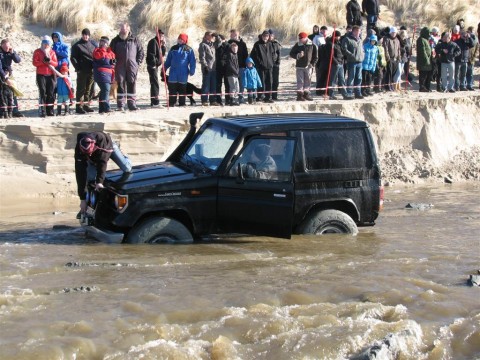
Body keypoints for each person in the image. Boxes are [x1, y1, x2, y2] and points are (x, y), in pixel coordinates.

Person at [75, 131, 132, 218]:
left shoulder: (102, 140)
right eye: (87, 153)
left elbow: (102, 164)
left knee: (127, 168)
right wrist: (82, 199)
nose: (89, 154)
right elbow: (80, 174)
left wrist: (99, 182)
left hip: (108, 147)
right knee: (90, 179)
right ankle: (89, 206)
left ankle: (123, 155)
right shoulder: (79, 149)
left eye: (90, 152)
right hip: (93, 155)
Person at [110, 23, 145, 111]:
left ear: (128, 30)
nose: (122, 32)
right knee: (121, 85)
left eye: (124, 30)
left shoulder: (135, 40)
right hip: (119, 66)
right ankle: (120, 105)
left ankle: (132, 104)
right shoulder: (115, 41)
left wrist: (138, 62)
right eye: (121, 30)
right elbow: (110, 53)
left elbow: (140, 51)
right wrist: (113, 61)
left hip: (132, 66)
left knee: (131, 84)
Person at [164, 33, 196, 107]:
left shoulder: (189, 50)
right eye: (179, 39)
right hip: (173, 72)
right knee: (172, 88)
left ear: (185, 40)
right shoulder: (173, 48)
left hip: (183, 72)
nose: (180, 40)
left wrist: (192, 70)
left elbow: (192, 61)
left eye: (181, 39)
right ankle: (172, 103)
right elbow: (168, 60)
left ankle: (182, 103)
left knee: (182, 89)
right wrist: (164, 68)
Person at [70, 28, 96, 114]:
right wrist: (78, 68)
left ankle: (86, 105)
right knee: (81, 89)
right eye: (84, 34)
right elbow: (73, 58)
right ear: (82, 35)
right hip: (82, 70)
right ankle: (79, 107)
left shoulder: (92, 45)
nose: (86, 36)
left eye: (87, 35)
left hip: (91, 70)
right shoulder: (77, 46)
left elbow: (96, 55)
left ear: (89, 36)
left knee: (89, 89)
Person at [33, 35, 58, 117]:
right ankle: (42, 110)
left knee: (50, 93)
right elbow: (35, 63)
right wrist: (43, 62)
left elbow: (56, 63)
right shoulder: (37, 51)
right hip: (41, 74)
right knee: (42, 92)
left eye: (47, 43)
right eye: (44, 43)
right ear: (42, 43)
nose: (46, 45)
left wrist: (49, 61)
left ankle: (50, 110)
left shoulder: (52, 52)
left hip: (50, 75)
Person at [290, 32, 317, 101]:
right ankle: (299, 96)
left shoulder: (312, 45)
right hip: (299, 66)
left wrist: (312, 64)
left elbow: (315, 56)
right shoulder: (298, 45)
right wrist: (298, 55)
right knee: (300, 81)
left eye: (301, 38)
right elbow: (291, 53)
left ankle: (306, 94)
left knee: (308, 81)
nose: (300, 40)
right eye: (299, 38)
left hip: (308, 66)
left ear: (305, 38)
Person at [250, 30, 275, 103]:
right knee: (261, 82)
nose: (265, 38)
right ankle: (260, 96)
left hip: (269, 67)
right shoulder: (257, 44)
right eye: (264, 36)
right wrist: (259, 63)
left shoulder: (270, 44)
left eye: (267, 36)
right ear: (262, 36)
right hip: (261, 67)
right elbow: (254, 55)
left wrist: (272, 62)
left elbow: (273, 54)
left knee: (269, 82)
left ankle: (268, 97)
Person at [93, 36, 116, 113]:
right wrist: (103, 49)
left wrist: (112, 63)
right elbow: (101, 59)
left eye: (104, 42)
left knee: (103, 91)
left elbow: (113, 63)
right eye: (101, 42)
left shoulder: (110, 52)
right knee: (106, 89)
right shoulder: (97, 51)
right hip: (101, 73)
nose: (102, 43)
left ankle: (101, 109)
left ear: (107, 44)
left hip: (109, 74)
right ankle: (107, 108)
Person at [325, 30, 350, 100]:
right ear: (334, 36)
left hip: (341, 63)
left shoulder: (338, 43)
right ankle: (331, 94)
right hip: (334, 64)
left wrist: (343, 60)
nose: (339, 37)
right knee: (333, 80)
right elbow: (330, 55)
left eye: (339, 36)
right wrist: (336, 62)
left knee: (342, 79)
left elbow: (341, 52)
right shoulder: (330, 44)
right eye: (337, 36)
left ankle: (345, 94)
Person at [341, 25, 365, 99]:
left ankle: (358, 93)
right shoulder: (347, 39)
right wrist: (351, 55)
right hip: (352, 62)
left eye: (359, 31)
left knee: (359, 78)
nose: (358, 32)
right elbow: (344, 49)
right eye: (357, 31)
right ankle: (349, 93)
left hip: (360, 62)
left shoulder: (360, 40)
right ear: (353, 31)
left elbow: (362, 49)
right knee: (351, 77)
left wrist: (363, 55)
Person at [0, 38, 21, 118]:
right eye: (5, 47)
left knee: (13, 91)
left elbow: (18, 60)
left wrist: (13, 53)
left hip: (9, 73)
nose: (6, 48)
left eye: (8, 47)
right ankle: (2, 112)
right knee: (2, 94)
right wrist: (5, 78)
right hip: (1, 73)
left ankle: (15, 111)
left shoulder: (10, 51)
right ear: (1, 46)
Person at [146, 30, 167, 107]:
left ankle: (153, 101)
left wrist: (163, 46)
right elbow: (151, 54)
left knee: (154, 82)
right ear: (157, 34)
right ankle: (155, 101)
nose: (162, 37)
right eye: (160, 35)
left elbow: (162, 54)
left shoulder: (159, 43)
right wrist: (154, 64)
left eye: (163, 35)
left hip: (156, 65)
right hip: (152, 66)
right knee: (154, 83)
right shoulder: (153, 42)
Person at [228, 29, 249, 103]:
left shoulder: (242, 43)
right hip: (232, 67)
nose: (234, 36)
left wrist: (246, 64)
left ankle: (241, 97)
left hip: (241, 66)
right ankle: (232, 98)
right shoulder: (228, 43)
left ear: (238, 34)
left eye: (235, 35)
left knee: (241, 83)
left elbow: (246, 55)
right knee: (233, 84)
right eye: (232, 35)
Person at [198, 31, 218, 106]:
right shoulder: (203, 45)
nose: (212, 37)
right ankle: (204, 100)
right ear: (206, 36)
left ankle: (213, 100)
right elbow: (202, 57)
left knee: (213, 85)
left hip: (213, 68)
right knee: (206, 85)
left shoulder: (212, 45)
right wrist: (205, 66)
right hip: (207, 68)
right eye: (210, 35)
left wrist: (217, 35)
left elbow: (219, 43)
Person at [383, 26, 401, 91]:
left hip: (396, 59)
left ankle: (391, 85)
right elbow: (386, 48)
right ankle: (387, 86)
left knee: (393, 73)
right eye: (393, 32)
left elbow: (399, 49)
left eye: (395, 33)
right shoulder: (387, 39)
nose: (394, 34)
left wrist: (399, 58)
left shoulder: (397, 40)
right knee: (389, 73)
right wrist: (388, 58)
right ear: (390, 32)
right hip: (390, 59)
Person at [416, 27, 433, 92]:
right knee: (423, 75)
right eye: (428, 33)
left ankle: (427, 87)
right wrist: (426, 60)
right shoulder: (421, 40)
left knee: (428, 75)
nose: (429, 34)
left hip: (428, 61)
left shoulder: (426, 40)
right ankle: (422, 87)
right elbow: (423, 51)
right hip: (423, 61)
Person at [214, 34, 229, 105]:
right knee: (218, 85)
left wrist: (223, 42)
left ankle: (227, 99)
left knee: (227, 84)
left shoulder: (227, 45)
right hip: (218, 67)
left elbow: (229, 49)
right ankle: (218, 99)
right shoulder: (216, 45)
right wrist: (218, 41)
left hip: (226, 67)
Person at [269, 29, 281, 100]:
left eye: (272, 35)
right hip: (268, 64)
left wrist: (278, 62)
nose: (271, 37)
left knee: (275, 81)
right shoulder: (266, 43)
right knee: (269, 81)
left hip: (275, 64)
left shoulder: (276, 44)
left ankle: (274, 95)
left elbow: (279, 53)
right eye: (270, 35)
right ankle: (268, 95)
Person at [466, 26, 479, 91]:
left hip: (471, 58)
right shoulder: (466, 37)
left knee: (470, 73)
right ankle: (464, 85)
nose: (471, 33)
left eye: (472, 31)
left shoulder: (475, 38)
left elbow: (475, 46)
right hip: (465, 57)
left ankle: (469, 85)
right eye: (470, 31)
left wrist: (474, 57)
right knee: (464, 73)